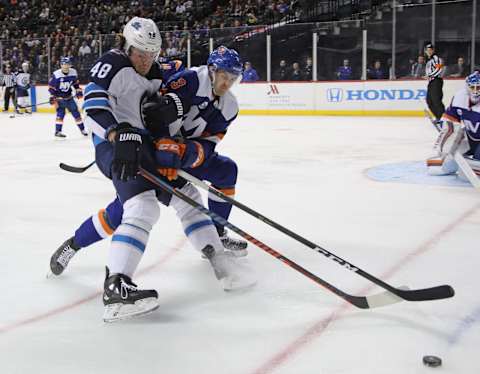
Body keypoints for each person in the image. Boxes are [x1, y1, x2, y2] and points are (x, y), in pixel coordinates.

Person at [51, 21, 253, 322]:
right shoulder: (113, 62)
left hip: (142, 146)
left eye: (151, 54)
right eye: (140, 53)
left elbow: (158, 117)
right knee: (142, 207)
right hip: (116, 147)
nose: (146, 60)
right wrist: (115, 133)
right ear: (127, 46)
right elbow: (93, 103)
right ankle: (116, 287)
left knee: (185, 199)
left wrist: (167, 147)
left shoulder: (157, 73)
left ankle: (217, 257)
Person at [426, 71, 480, 179]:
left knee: (473, 167)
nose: (475, 91)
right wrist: (443, 148)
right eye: (472, 87)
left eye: (478, 87)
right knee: (437, 165)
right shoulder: (459, 98)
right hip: (471, 139)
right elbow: (450, 126)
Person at [48, 57, 87, 138]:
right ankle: (58, 131)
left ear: (70, 65)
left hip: (69, 97)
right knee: (60, 114)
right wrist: (52, 96)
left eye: (67, 64)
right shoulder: (56, 74)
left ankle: (82, 130)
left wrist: (78, 90)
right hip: (59, 99)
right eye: (63, 64)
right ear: (61, 65)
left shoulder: (73, 72)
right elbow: (51, 87)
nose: (65, 66)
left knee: (76, 114)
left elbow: (75, 84)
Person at [424, 43, 445, 123]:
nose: (429, 51)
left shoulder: (436, 58)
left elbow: (439, 69)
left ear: (433, 50)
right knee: (429, 100)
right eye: (427, 50)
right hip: (431, 82)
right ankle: (438, 117)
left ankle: (443, 117)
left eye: (430, 50)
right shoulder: (429, 60)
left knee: (436, 100)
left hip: (436, 81)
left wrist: (429, 75)